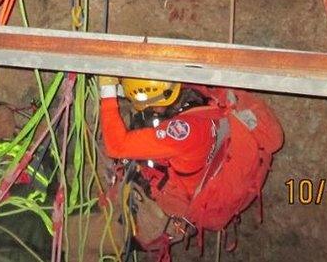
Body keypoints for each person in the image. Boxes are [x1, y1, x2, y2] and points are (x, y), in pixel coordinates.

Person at [97, 76, 284, 256]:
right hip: (158, 198)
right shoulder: (199, 102)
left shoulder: (183, 133)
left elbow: (117, 146)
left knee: (79, 237)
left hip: (152, 220)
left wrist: (107, 91)